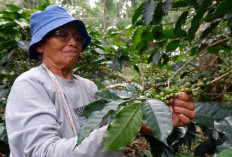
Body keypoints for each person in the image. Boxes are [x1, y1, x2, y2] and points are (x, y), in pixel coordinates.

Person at [5, 5, 195, 157]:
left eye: (78, 38)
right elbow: (43, 153)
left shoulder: (88, 87)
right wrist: (126, 127)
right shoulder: (30, 84)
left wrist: (151, 121)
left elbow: (105, 130)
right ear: (39, 45)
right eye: (62, 35)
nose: (73, 42)